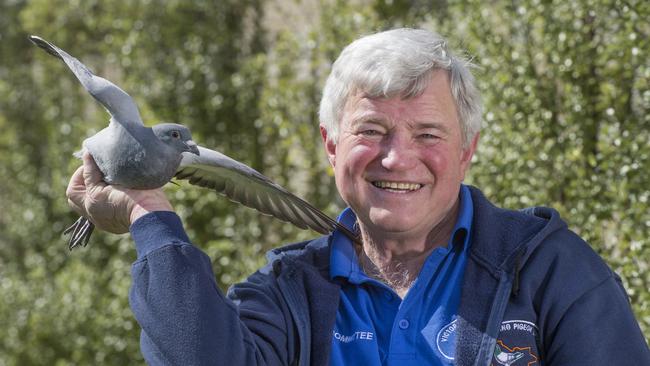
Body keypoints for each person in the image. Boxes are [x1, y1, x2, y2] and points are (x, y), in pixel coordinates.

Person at [66, 28, 650, 365]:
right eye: (371, 131)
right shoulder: (288, 293)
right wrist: (151, 214)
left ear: (467, 150)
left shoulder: (549, 271)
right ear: (330, 145)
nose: (397, 158)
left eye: (428, 134)